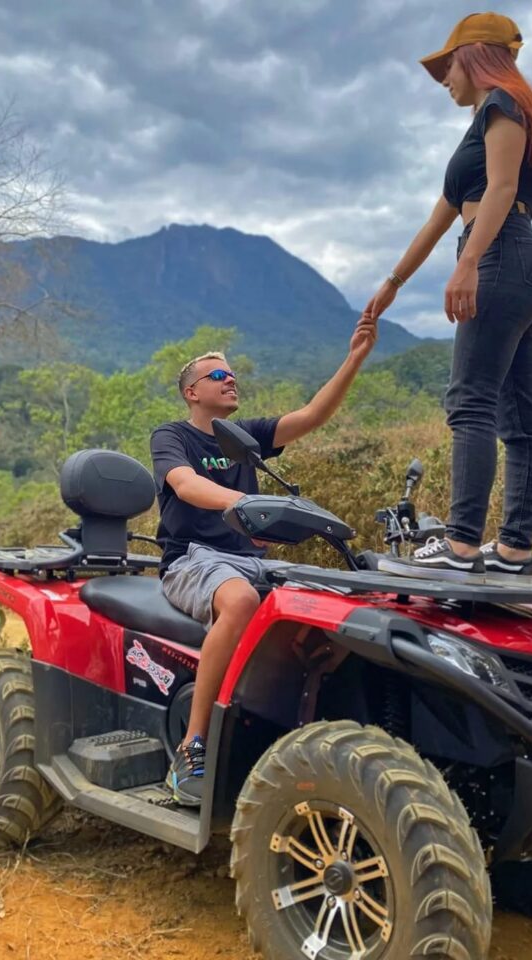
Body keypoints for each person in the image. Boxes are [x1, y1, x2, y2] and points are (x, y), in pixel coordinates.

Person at [365, 12, 532, 577]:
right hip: (524, 267)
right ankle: (514, 551)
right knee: (520, 422)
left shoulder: (503, 102)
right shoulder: (481, 127)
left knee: (471, 402)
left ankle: (461, 545)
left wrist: (469, 260)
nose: (444, 79)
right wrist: (392, 284)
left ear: (474, 57)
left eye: (448, 65)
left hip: (502, 256)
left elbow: (502, 188)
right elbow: (437, 221)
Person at [150, 318, 376, 805]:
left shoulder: (244, 437)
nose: (230, 379)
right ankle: (192, 747)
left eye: (232, 374)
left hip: (251, 559)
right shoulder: (172, 436)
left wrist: (355, 356)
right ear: (191, 392)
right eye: (218, 375)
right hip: (194, 558)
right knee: (240, 602)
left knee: (331, 608)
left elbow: (312, 415)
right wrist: (243, 502)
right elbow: (185, 485)